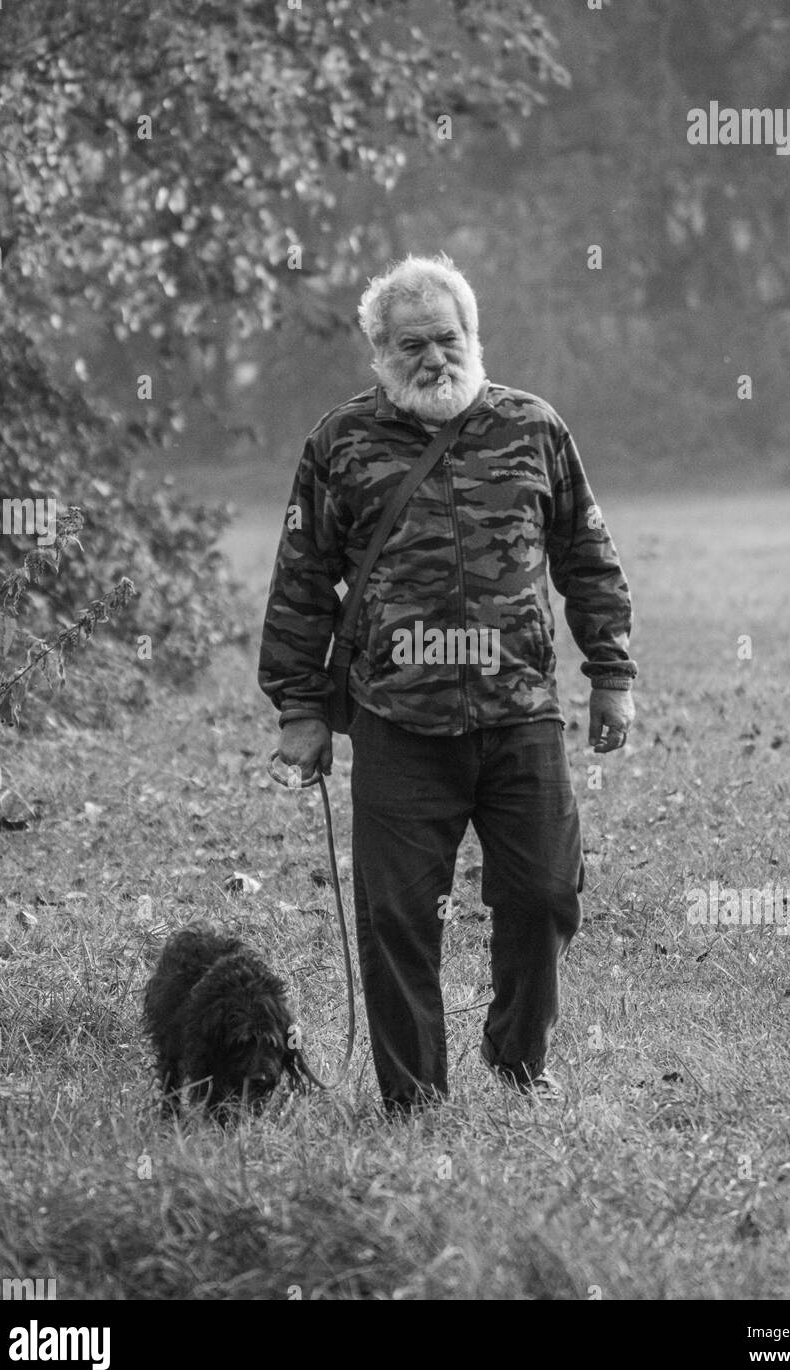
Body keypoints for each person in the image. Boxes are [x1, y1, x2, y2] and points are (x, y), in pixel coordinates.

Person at [259, 253, 636, 1114]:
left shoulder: (535, 428)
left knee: (545, 894)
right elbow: (302, 583)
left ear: (475, 337)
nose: (434, 358)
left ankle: (516, 1054)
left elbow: (586, 556)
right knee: (396, 920)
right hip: (398, 722)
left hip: (520, 717)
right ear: (380, 354)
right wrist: (299, 710)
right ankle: (415, 1099)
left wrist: (609, 672)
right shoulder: (338, 444)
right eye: (412, 344)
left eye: (447, 338)